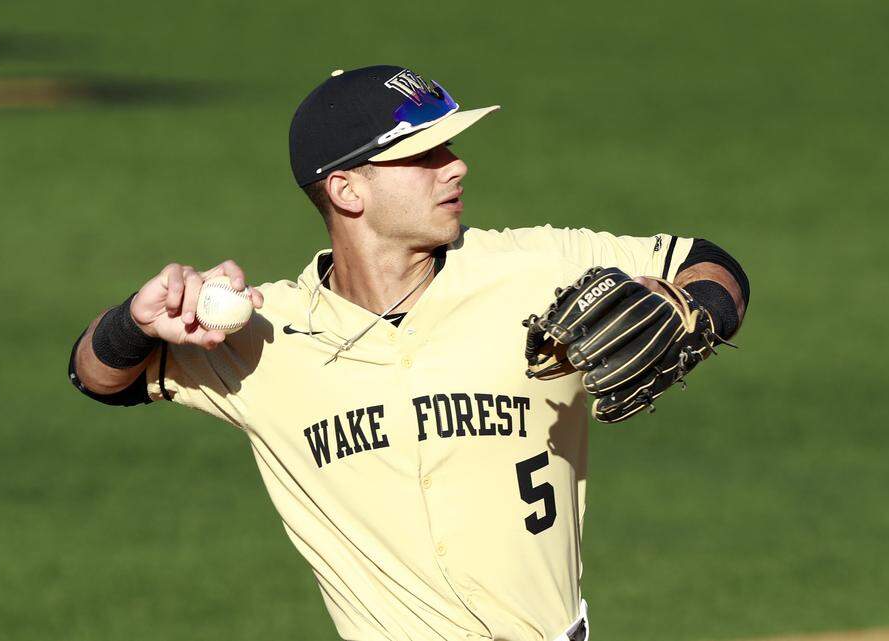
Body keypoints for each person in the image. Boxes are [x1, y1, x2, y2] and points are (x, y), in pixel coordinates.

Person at [68, 65, 749, 641]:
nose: (456, 166)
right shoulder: (260, 336)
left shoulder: (534, 268)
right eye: (423, 154)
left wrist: (695, 309)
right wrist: (135, 317)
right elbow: (97, 375)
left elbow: (707, 262)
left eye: (450, 147)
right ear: (347, 189)